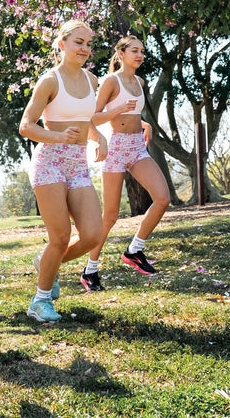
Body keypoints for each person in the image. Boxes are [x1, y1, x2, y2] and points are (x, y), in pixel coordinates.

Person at [19, 19, 107, 323]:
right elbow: (26, 126)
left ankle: (45, 263)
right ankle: (40, 302)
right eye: (78, 42)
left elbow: (85, 119)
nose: (84, 48)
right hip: (49, 162)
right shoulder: (50, 81)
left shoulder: (92, 80)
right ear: (62, 44)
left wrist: (100, 137)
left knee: (93, 234)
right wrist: (58, 136)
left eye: (88, 43)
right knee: (60, 235)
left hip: (77, 162)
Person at [80, 36, 170, 291]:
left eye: (142, 51)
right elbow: (92, 118)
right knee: (109, 217)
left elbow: (134, 113)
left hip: (136, 147)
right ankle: (90, 270)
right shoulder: (111, 81)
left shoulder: (140, 82)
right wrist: (116, 113)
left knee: (162, 198)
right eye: (134, 51)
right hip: (116, 147)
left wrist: (145, 123)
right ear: (120, 53)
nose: (140, 55)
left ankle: (134, 250)